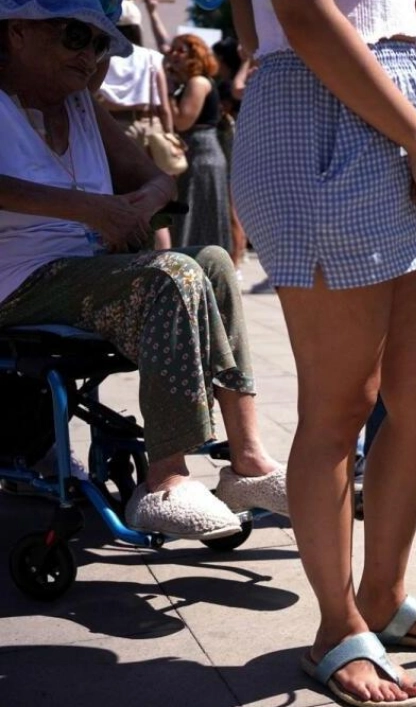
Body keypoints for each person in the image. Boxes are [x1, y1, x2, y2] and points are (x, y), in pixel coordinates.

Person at [229, 1, 416, 705]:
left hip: (411, 105)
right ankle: (336, 627)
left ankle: (382, 594)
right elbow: (302, 17)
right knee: (342, 399)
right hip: (317, 101)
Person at [0, 0, 287, 540]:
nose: (90, 55)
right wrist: (89, 209)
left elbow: (158, 179)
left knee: (213, 261)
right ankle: (165, 480)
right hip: (17, 280)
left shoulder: (82, 106)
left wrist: (138, 202)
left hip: (85, 268)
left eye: (100, 42)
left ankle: (247, 461)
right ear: (16, 31)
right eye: (75, 36)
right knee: (170, 275)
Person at [95, 0, 174, 251]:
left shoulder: (104, 56)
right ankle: (164, 255)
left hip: (114, 124)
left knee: (120, 195)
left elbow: (96, 93)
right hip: (151, 125)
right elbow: (163, 103)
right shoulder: (152, 57)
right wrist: (170, 134)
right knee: (155, 203)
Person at [167, 33, 231, 253]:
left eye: (180, 50)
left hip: (201, 152)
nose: (173, 55)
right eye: (172, 50)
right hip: (199, 151)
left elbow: (183, 122)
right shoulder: (189, 83)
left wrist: (166, 95)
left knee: (196, 212)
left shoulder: (197, 82)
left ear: (195, 55)